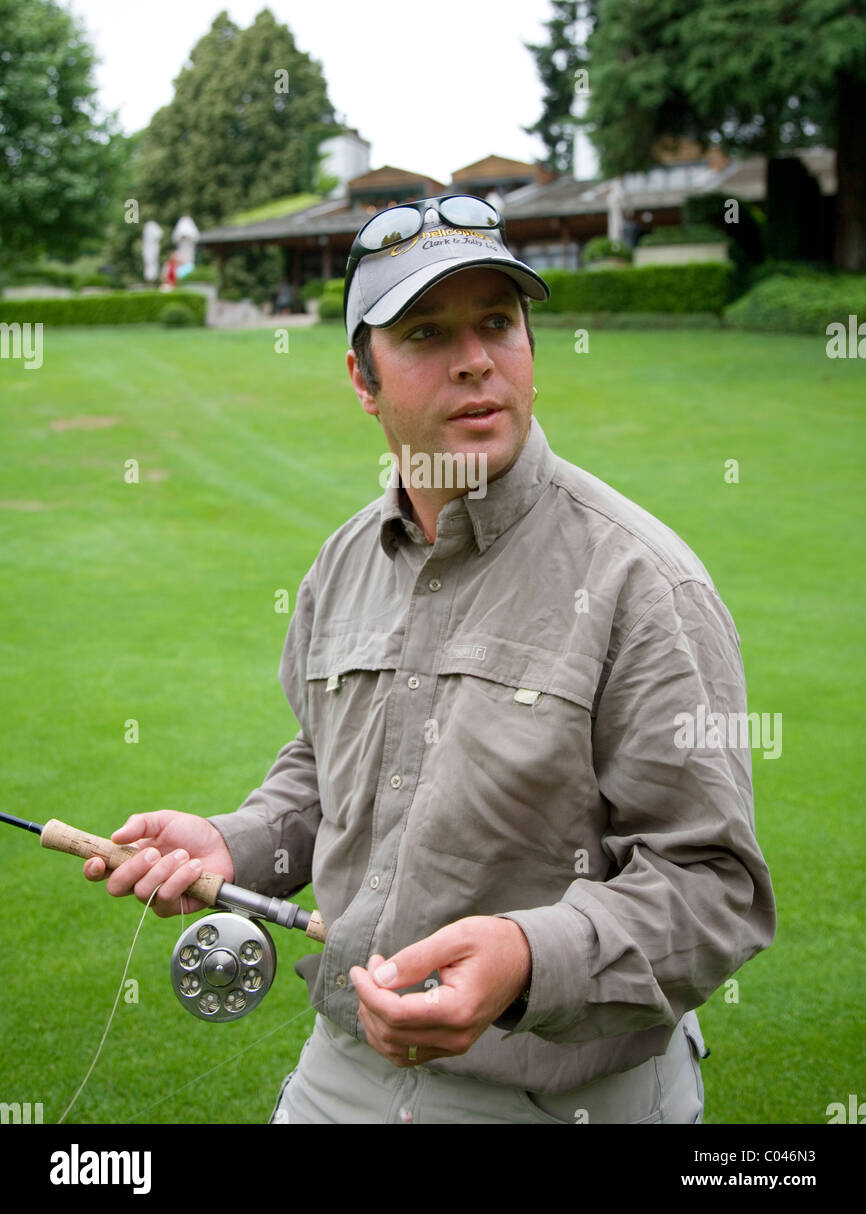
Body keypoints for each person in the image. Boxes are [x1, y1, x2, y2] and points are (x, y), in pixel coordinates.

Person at [85, 196, 776, 1124]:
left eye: (497, 321)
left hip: (563, 1096)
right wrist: (237, 841)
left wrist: (529, 959)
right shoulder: (342, 563)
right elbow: (326, 770)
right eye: (425, 331)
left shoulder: (645, 585)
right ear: (363, 380)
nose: (474, 359)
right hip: (341, 1075)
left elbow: (716, 888)